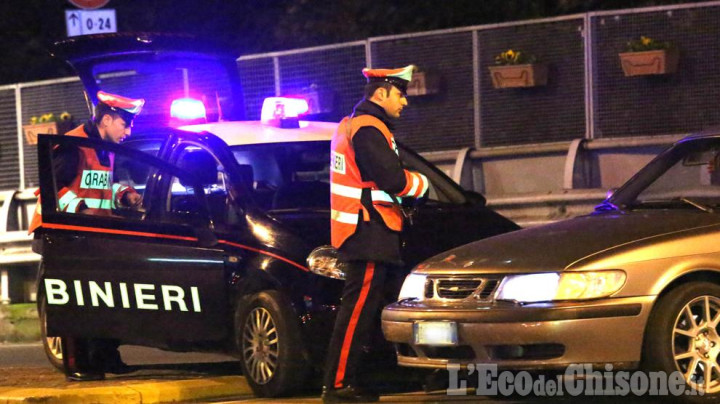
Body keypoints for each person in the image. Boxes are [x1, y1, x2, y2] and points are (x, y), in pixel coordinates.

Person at [323, 65, 429, 403]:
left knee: (365, 311)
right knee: (356, 312)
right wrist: (423, 183)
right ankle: (338, 387)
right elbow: (393, 181)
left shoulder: (352, 125)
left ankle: (353, 381)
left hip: (365, 229)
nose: (405, 103)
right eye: (400, 94)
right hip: (368, 230)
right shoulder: (369, 128)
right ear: (381, 93)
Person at [29, 90, 145, 381]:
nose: (128, 132)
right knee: (79, 300)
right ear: (106, 119)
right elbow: (51, 188)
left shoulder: (103, 146)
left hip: (91, 236)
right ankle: (82, 362)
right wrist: (79, 208)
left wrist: (127, 194)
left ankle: (105, 355)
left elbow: (99, 187)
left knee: (105, 296)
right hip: (65, 236)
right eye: (124, 124)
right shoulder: (73, 145)